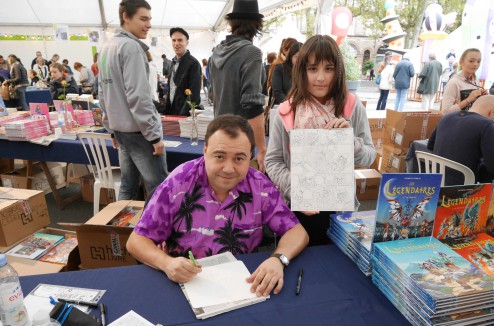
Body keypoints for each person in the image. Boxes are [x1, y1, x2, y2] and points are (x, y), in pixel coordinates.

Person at [127, 114, 309, 296]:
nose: (228, 169)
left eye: (239, 159)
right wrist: (167, 264)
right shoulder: (179, 182)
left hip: (243, 283)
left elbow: (296, 232)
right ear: (205, 151)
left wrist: (279, 259)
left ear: (250, 157)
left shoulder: (260, 185)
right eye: (220, 156)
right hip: (184, 282)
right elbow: (136, 242)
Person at [265, 35, 376, 246]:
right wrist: (299, 189)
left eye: (329, 68)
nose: (321, 78)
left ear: (338, 71)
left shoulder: (352, 107)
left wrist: (350, 142)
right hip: (298, 208)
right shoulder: (286, 111)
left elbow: (370, 156)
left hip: (339, 209)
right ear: (302, 70)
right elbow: (273, 162)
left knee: (338, 266)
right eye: (313, 69)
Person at [98, 0, 168, 200]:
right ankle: (156, 231)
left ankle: (122, 231)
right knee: (159, 190)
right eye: (143, 19)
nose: (148, 24)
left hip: (121, 130)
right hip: (139, 132)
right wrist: (154, 135)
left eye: (149, 19)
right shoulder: (131, 47)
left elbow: (102, 93)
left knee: (128, 186)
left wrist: (110, 128)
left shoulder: (106, 48)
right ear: (126, 17)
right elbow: (138, 96)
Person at [210, 0, 267, 172]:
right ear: (257, 25)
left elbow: (213, 95)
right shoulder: (252, 53)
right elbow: (252, 106)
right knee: (241, 195)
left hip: (217, 135)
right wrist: (262, 147)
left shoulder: (217, 52)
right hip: (239, 141)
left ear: (232, 23)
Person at [428, 95, 494, 185]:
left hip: (435, 180)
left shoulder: (447, 117)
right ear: (493, 111)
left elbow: (430, 145)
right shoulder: (487, 125)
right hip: (463, 186)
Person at [165, 27, 201, 116]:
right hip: (172, 112)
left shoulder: (193, 63)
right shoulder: (172, 63)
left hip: (184, 114)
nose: (176, 43)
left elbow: (194, 95)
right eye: (174, 40)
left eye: (180, 40)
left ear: (187, 42)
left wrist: (183, 115)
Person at [441, 48, 487, 114]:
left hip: (472, 121)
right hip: (458, 122)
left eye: (478, 61)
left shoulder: (476, 80)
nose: (475, 64)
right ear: (461, 62)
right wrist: (468, 100)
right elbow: (446, 112)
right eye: (471, 61)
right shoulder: (454, 82)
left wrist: (481, 97)